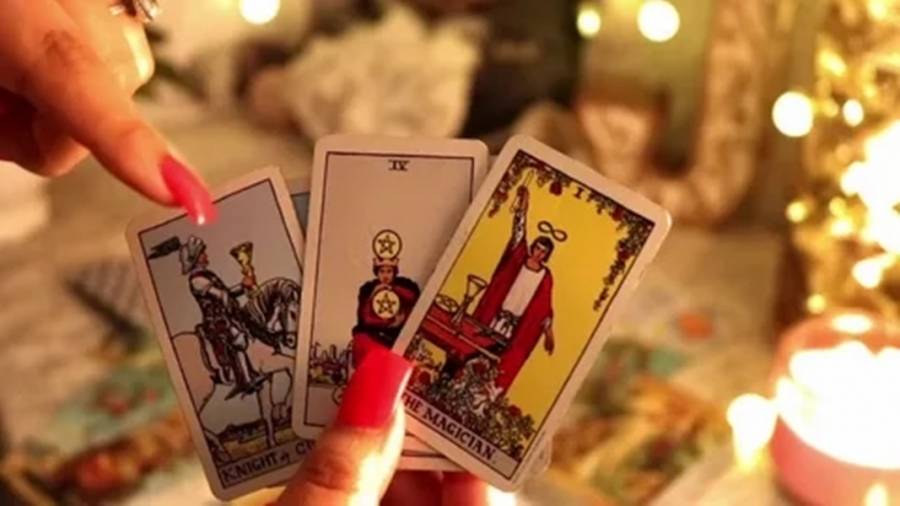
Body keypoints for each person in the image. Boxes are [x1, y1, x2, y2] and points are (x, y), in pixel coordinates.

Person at [0, 2, 493, 504]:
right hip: (222, 324)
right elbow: (220, 300)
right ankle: (238, 379)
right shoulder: (203, 281)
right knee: (231, 343)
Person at [473, 184, 556, 392]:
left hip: (513, 329)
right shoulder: (518, 257)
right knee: (475, 354)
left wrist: (548, 333)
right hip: (494, 318)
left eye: (543, 252)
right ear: (533, 247)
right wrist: (524, 206)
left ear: (547, 256)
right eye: (537, 248)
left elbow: (544, 308)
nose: (538, 253)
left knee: (495, 365)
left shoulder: (545, 277)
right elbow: (519, 231)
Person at [181, 235, 261, 399]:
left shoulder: (208, 274)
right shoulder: (197, 280)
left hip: (224, 317)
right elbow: (221, 296)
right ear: (196, 257)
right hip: (215, 321)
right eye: (203, 253)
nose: (206, 255)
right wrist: (238, 292)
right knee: (236, 341)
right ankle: (245, 382)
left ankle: (250, 373)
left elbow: (227, 293)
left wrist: (243, 286)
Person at [352, 256, 420, 366]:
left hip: (394, 338)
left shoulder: (404, 286)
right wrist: (373, 294)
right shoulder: (368, 289)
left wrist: (393, 289)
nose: (385, 275)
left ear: (394, 273)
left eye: (389, 271)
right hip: (373, 336)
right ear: (377, 273)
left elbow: (412, 299)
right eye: (382, 271)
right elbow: (365, 319)